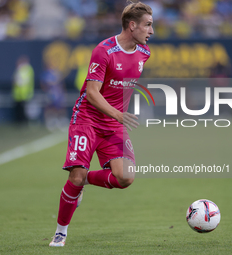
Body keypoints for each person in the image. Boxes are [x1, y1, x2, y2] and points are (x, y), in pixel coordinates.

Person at [49, 1, 154, 247]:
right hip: (87, 119)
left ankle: (85, 180)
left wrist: (118, 116)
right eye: (148, 25)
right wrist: (118, 114)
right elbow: (92, 93)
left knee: (125, 178)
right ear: (132, 25)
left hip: (114, 125)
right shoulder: (104, 50)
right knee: (75, 176)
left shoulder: (144, 53)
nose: (151, 31)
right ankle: (61, 232)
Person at [12, 55, 34, 125]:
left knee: (24, 111)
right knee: (19, 110)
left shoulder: (27, 69)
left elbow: (23, 81)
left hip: (25, 94)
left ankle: (24, 122)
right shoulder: (19, 69)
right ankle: (20, 122)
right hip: (18, 94)